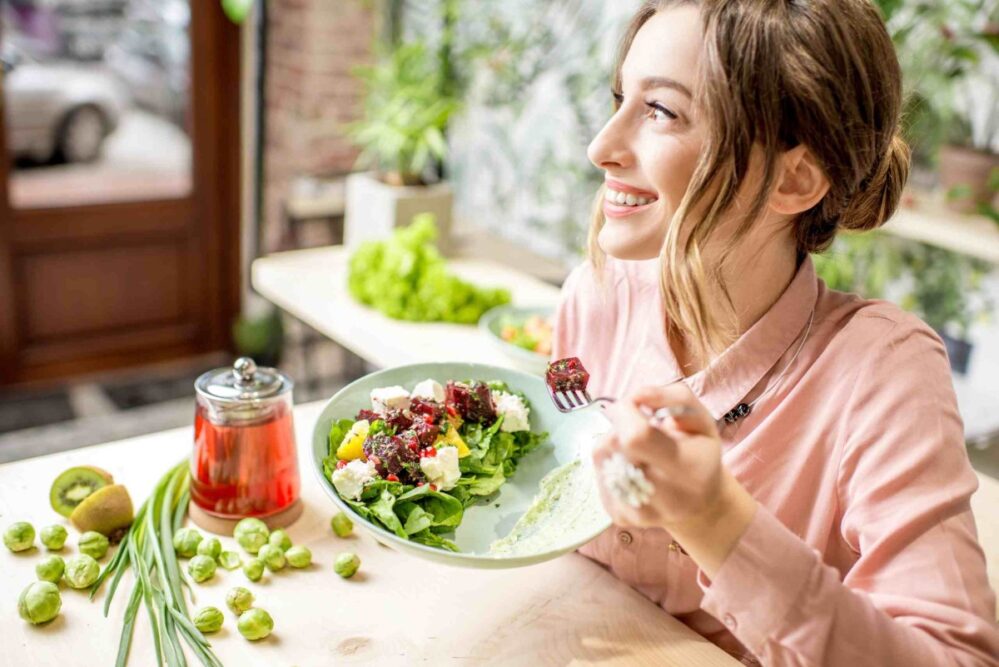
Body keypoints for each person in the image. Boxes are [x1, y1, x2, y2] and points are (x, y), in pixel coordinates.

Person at [551, 1, 999, 665]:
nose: (601, 147)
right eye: (621, 97)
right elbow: (553, 457)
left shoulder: (882, 372)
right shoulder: (594, 295)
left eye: (660, 112)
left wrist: (714, 519)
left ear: (794, 177)